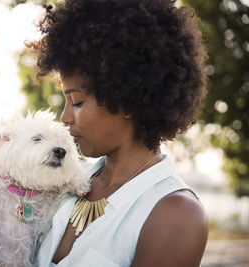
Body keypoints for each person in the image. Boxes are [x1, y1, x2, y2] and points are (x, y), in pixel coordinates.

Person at [29, 0, 209, 266]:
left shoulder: (176, 215)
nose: (65, 118)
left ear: (126, 99)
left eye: (77, 101)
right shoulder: (63, 180)